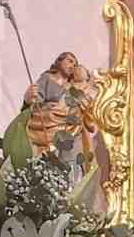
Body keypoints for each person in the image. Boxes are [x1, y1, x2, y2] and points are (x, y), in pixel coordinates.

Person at [22, 51, 97, 180]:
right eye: (69, 61)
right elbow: (35, 104)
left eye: (75, 64)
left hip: (69, 127)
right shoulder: (47, 78)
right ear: (59, 61)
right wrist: (29, 100)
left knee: (72, 161)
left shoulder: (72, 86)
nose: (73, 65)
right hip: (45, 124)